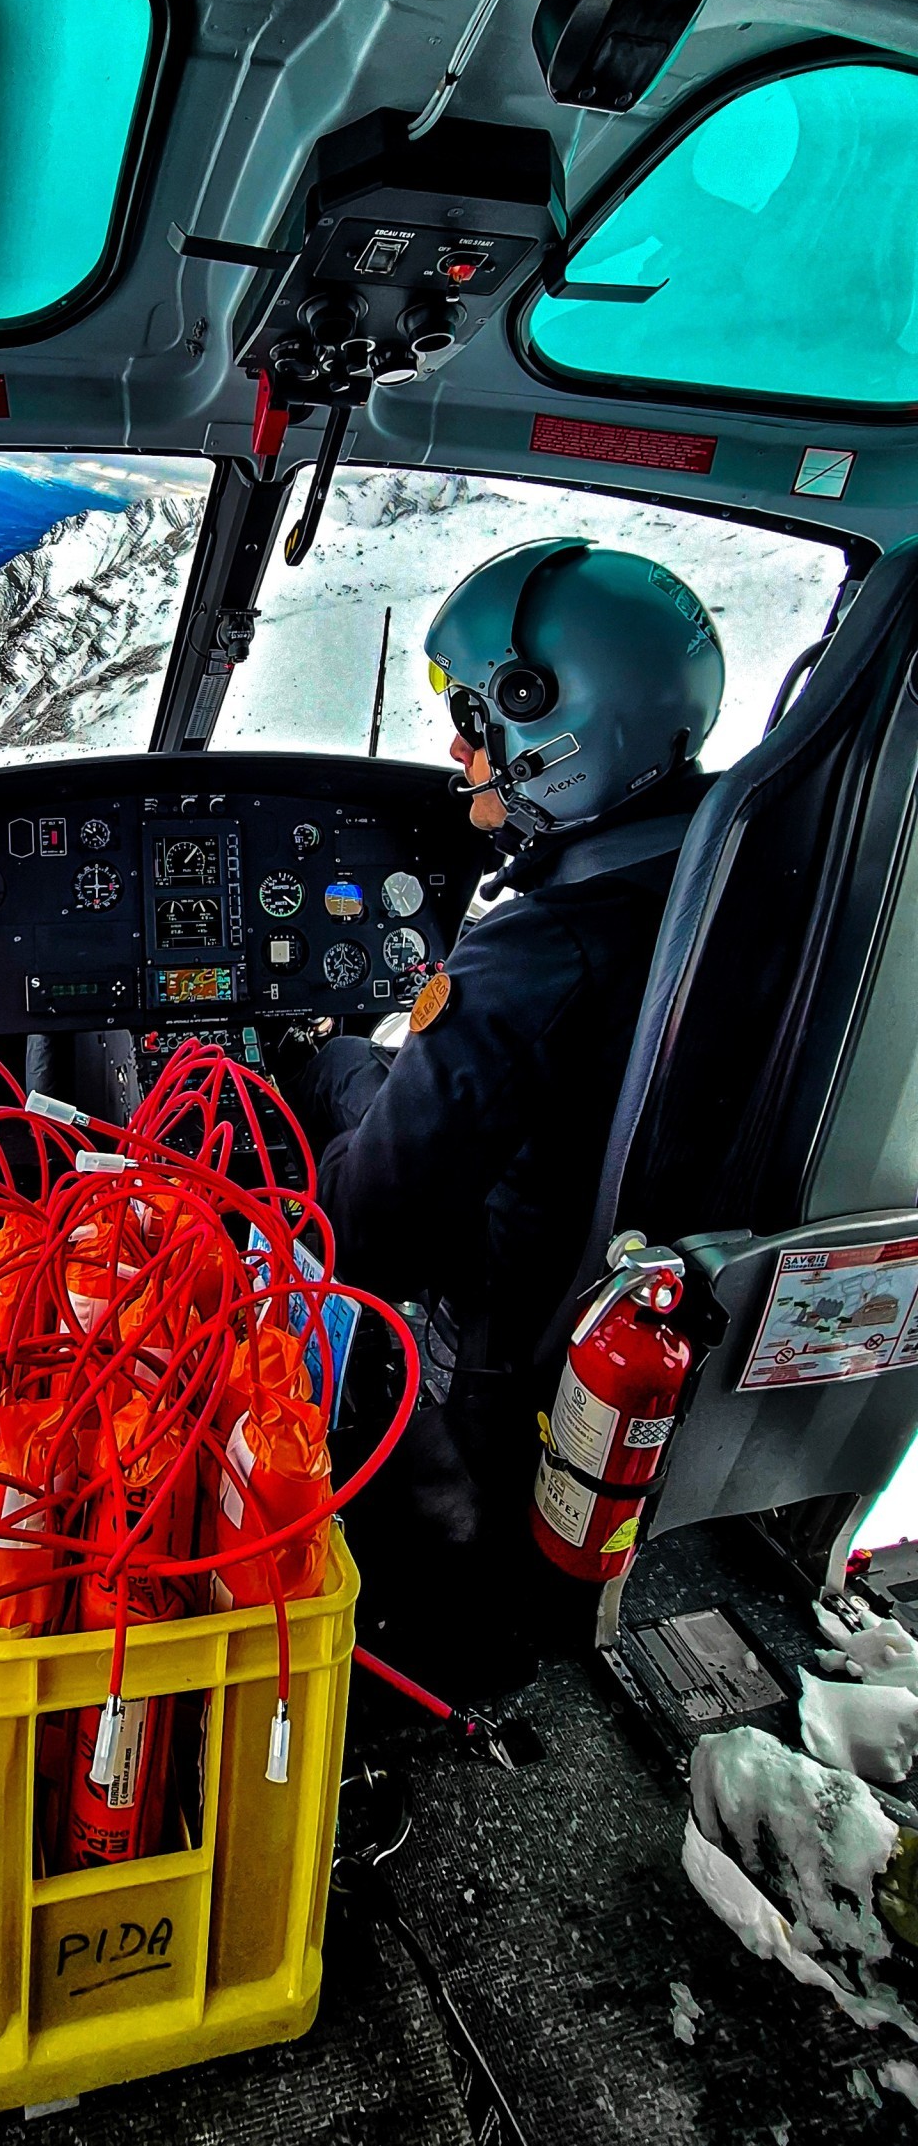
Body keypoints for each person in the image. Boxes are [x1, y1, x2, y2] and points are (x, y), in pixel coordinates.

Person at [286, 538, 725, 1674]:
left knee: (321, 1112)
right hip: (672, 1285)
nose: (458, 750)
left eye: (476, 721)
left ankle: (433, 1621)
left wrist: (324, 1077)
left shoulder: (543, 950)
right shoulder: (733, 870)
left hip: (512, 1337)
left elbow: (366, 1231)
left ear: (552, 726)